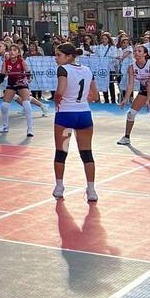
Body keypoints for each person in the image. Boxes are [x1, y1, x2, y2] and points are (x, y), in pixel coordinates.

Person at [51, 43, 100, 202]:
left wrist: (57, 101)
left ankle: (59, 187)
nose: (56, 58)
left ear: (69, 56)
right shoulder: (87, 70)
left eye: (59, 55)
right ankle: (91, 190)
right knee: (87, 153)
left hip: (66, 114)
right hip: (84, 114)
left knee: (61, 152)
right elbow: (94, 96)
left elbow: (60, 91)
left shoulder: (63, 70)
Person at [118, 44, 150, 151]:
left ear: (145, 54)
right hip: (144, 90)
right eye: (135, 51)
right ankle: (127, 137)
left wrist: (148, 99)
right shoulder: (131, 67)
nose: (136, 53)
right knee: (131, 113)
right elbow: (130, 85)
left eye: (139, 51)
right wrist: (125, 99)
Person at [0, 41, 37, 138]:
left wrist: (28, 78)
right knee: (4, 105)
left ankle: (30, 129)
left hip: (22, 84)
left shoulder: (22, 61)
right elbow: (2, 75)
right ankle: (5, 126)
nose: (12, 52)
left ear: (18, 52)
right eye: (10, 50)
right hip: (11, 84)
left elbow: (28, 73)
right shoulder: (6, 62)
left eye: (14, 50)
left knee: (26, 103)